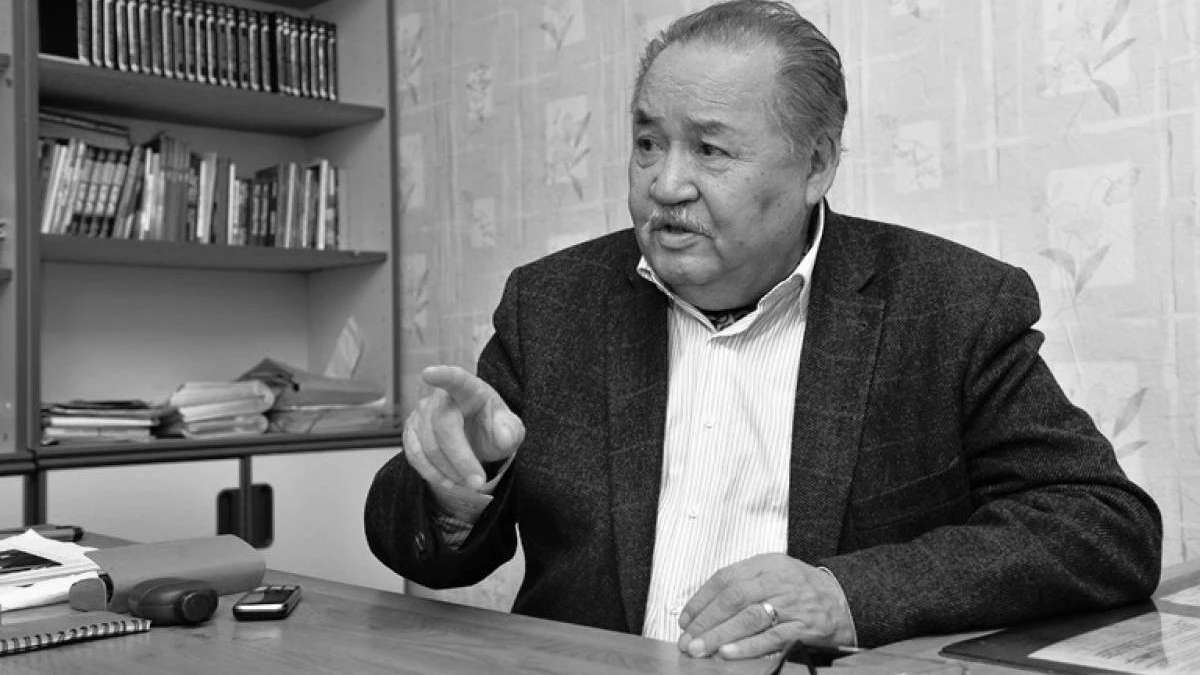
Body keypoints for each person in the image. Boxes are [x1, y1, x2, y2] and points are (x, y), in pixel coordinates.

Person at [365, 0, 1162, 660]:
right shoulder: (552, 304)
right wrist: (457, 484)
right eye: (647, 143)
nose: (665, 183)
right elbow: (416, 546)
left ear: (816, 164)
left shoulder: (950, 306)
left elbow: (1104, 525)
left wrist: (846, 594)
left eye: (710, 149)